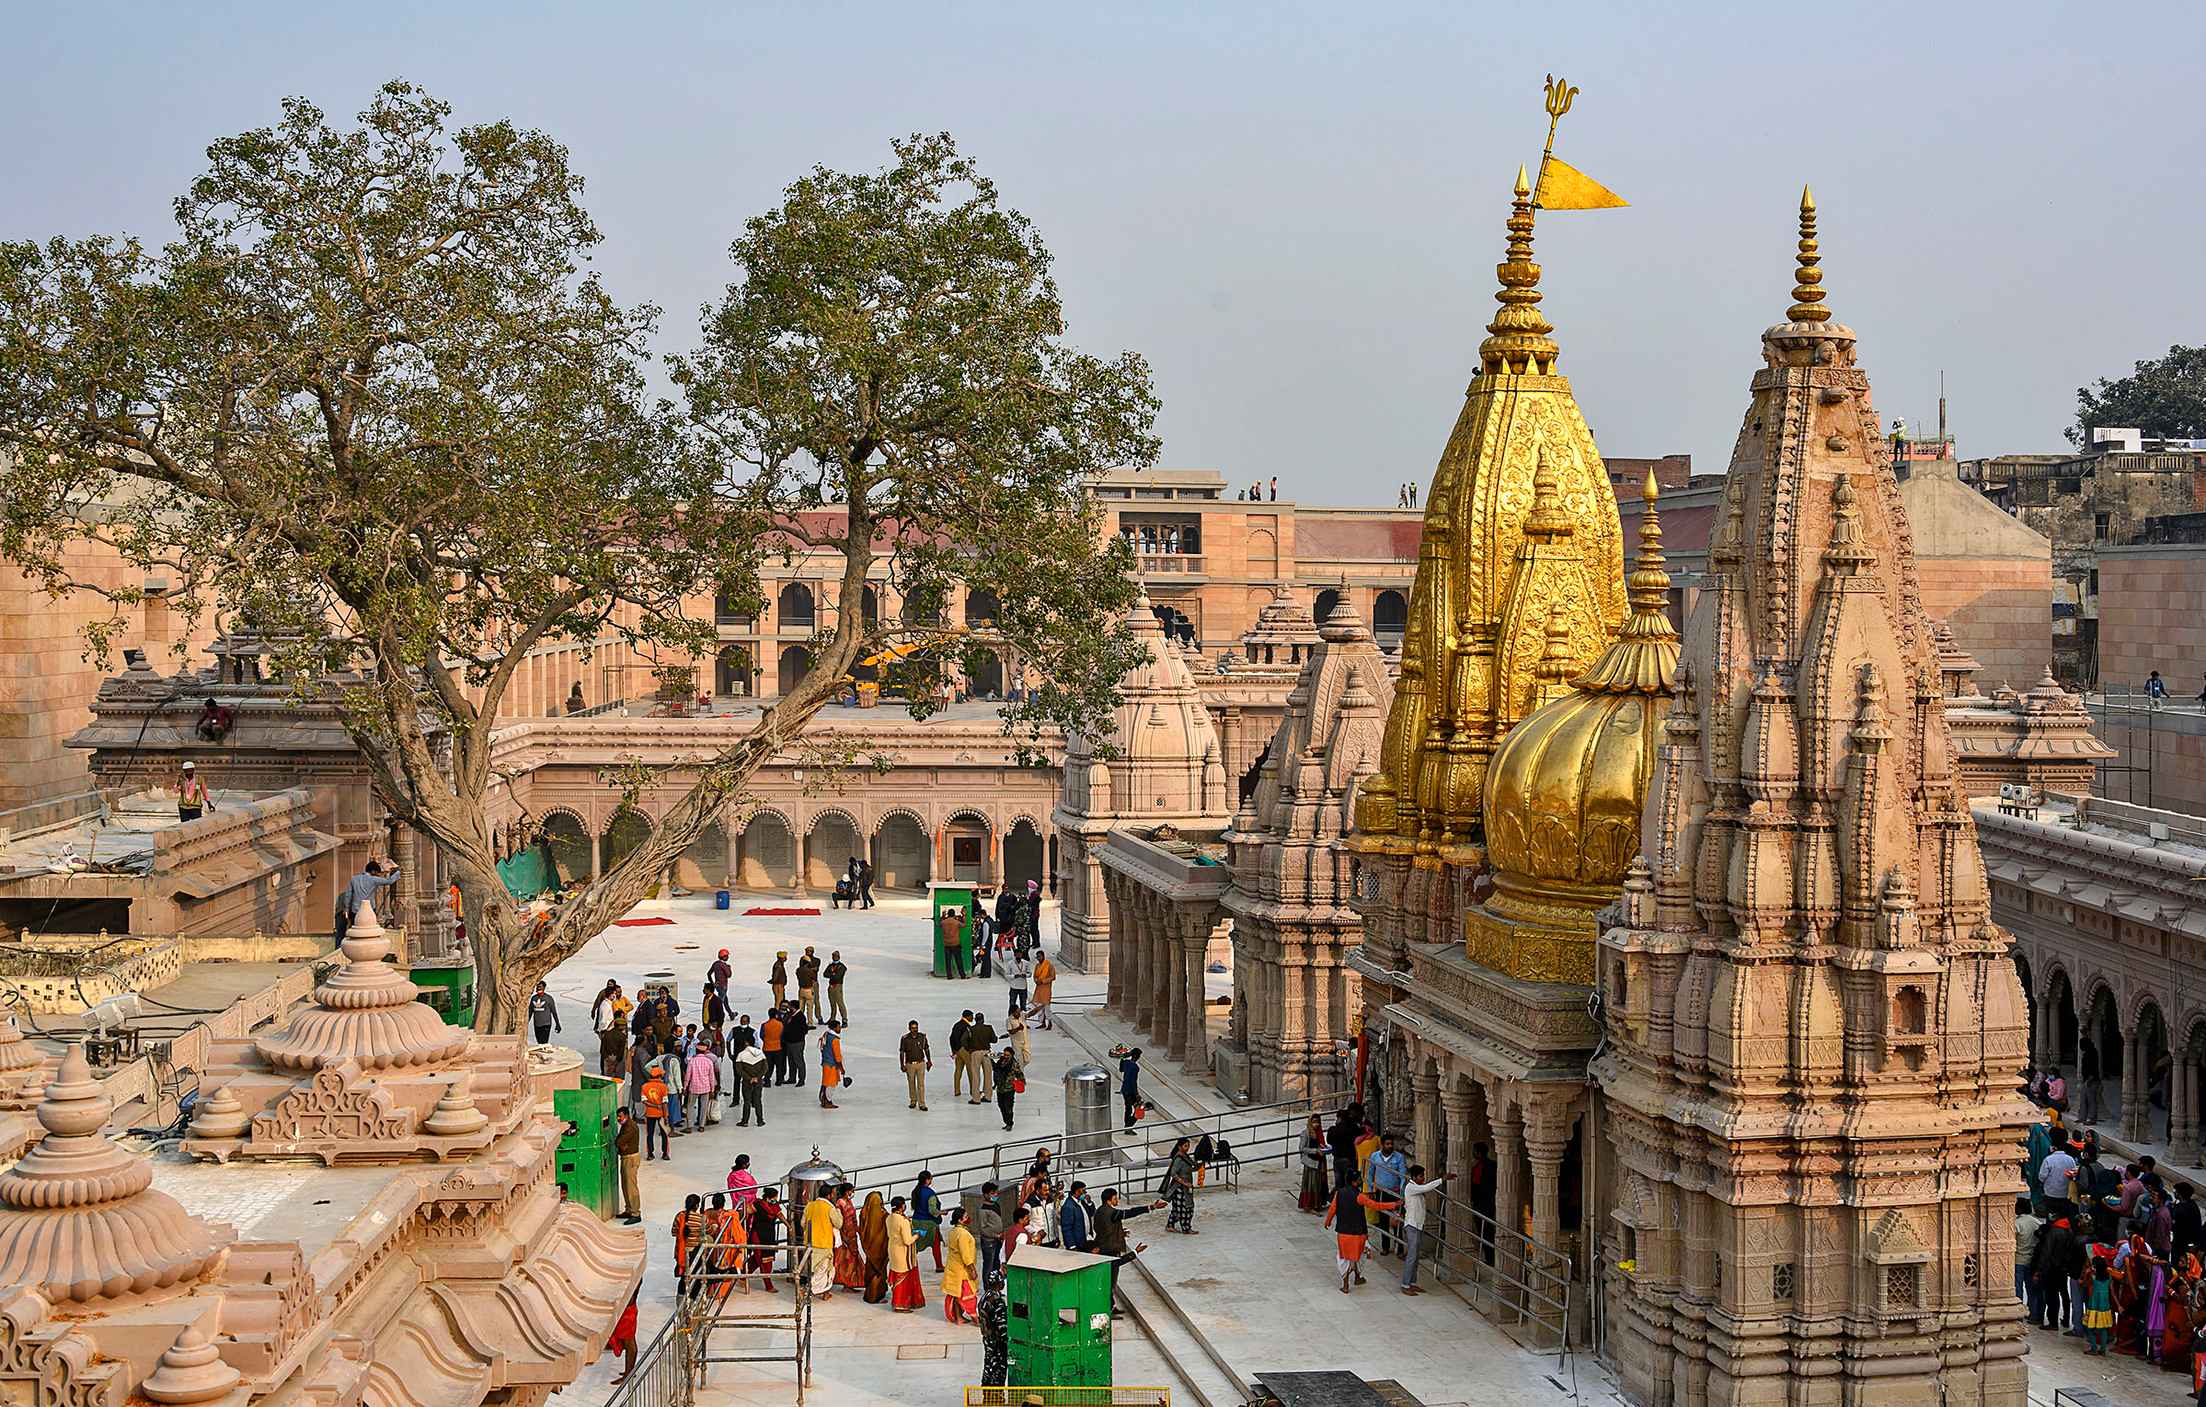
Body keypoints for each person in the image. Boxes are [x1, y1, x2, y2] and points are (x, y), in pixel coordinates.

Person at [1325, 1175, 1401, 1295]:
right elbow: (1376, 1206)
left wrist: (1327, 1221)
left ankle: (1345, 1285)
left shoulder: (1339, 1194)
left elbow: (1332, 1209)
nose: (1361, 1181)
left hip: (1343, 1233)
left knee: (1344, 1257)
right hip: (1358, 1234)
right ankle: (1357, 1277)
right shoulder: (1359, 1197)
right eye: (1359, 1180)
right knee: (1359, 1256)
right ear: (1354, 1182)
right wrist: (1394, 1205)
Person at [1399, 1163, 1455, 1294]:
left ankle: (1412, 1282)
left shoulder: (1416, 1188)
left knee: (1416, 1256)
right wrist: (1442, 1179)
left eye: (1423, 1176)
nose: (1422, 1178)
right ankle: (1405, 1285)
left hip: (1418, 1226)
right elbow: (1427, 1187)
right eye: (1420, 1176)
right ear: (1413, 1177)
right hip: (1412, 1226)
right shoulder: (1410, 1187)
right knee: (1412, 1256)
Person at [2032, 1209, 2079, 1329]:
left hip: (2052, 1268)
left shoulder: (2054, 1231)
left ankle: (2053, 1322)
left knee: (2051, 1295)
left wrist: (2039, 1269)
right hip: (2064, 1268)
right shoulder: (2069, 1230)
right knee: (2064, 1294)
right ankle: (2066, 1319)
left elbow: (2046, 1252)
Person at [1365, 1134, 1409, 1256]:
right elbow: (1370, 1174)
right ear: (1382, 1145)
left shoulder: (1399, 1158)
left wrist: (1401, 1194)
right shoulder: (1375, 1156)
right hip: (1381, 1193)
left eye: (1391, 1144)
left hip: (1394, 1193)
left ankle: (1399, 1248)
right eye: (1387, 1144)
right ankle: (1385, 1247)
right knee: (1383, 1220)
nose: (1390, 1146)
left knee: (1397, 1220)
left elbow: (1402, 1176)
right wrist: (1370, 1190)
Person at [337, 859, 401, 939]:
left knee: (355, 932)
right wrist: (397, 870)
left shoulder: (354, 879)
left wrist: (346, 909)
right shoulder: (373, 879)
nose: (378, 875)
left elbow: (348, 895)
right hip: (369, 910)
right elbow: (389, 881)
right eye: (377, 873)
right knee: (368, 932)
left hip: (355, 910)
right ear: (373, 871)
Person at [942, 1206, 980, 1323]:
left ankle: (959, 1318)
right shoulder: (963, 1234)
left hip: (953, 1267)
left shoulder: (953, 1231)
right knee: (968, 1296)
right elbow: (966, 1255)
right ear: (960, 1220)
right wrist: (972, 1269)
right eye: (966, 1217)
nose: (968, 1218)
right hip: (962, 1270)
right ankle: (975, 1319)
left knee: (957, 1295)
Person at [802, 1190, 841, 1300]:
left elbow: (802, 1223)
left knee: (812, 1270)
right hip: (824, 1244)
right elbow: (839, 1223)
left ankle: (821, 1292)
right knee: (825, 1270)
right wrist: (838, 1211)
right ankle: (809, 1290)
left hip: (809, 1243)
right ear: (829, 1195)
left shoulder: (809, 1205)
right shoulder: (830, 1208)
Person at [748, 1188, 788, 1293]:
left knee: (758, 1259)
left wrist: (789, 1226)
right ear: (768, 1197)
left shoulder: (774, 1206)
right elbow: (747, 1212)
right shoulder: (758, 1204)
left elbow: (780, 1215)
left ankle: (742, 1275)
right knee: (763, 1261)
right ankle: (768, 1286)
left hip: (769, 1237)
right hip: (758, 1236)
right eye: (774, 1197)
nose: (776, 1199)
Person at [888, 1196, 924, 1310]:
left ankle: (897, 1303)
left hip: (893, 1249)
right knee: (903, 1279)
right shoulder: (902, 1221)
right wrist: (917, 1235)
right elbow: (907, 1241)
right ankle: (900, 1304)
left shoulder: (889, 1218)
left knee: (896, 1275)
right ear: (902, 1206)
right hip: (902, 1252)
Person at [978, 1271, 1011, 1388]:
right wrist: (1008, 1342)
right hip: (997, 1342)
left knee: (988, 1365)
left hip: (987, 1339)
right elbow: (1002, 1327)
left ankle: (986, 1390)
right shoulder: (997, 1301)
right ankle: (996, 1395)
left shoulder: (984, 1298)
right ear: (1000, 1283)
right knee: (998, 1369)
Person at [2015, 1195, 2045, 1323]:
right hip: (2032, 1260)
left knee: (2017, 1289)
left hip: (2018, 1260)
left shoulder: (2017, 1224)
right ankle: (2033, 1314)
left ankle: (2018, 1314)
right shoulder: (2036, 1222)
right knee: (2031, 1289)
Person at [594, 982, 631, 1077]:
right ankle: (607, 1072)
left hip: (609, 1031)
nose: (615, 995)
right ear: (610, 995)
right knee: (607, 1054)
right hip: (607, 1032)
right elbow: (603, 1021)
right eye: (614, 994)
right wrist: (606, 1032)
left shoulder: (609, 1004)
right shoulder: (605, 1006)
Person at [840, 1186, 872, 1294]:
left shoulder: (848, 1202)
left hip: (852, 1234)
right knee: (847, 1260)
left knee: (853, 1259)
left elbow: (853, 1218)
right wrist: (843, 1236)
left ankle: (851, 1282)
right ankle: (847, 1283)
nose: (852, 1193)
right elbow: (840, 1222)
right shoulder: (840, 1203)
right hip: (846, 1235)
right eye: (851, 1191)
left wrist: (858, 1229)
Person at [673, 1194, 706, 1297]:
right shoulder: (701, 1218)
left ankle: (680, 1299)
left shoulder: (679, 1216)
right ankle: (692, 1300)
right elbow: (707, 1231)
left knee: (684, 1277)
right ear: (697, 1206)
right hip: (694, 1252)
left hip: (681, 1252)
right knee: (695, 1276)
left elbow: (674, 1232)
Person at [912, 1171, 945, 1271]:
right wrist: (942, 1212)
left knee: (915, 1245)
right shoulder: (930, 1193)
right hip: (929, 1224)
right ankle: (939, 1266)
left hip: (916, 1221)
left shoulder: (915, 1191)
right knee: (935, 1245)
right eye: (930, 1178)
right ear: (927, 1180)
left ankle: (911, 1263)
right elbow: (932, 1211)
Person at [613, 1109, 642, 1224]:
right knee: (625, 1185)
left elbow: (619, 1142)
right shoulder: (626, 1125)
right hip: (626, 1158)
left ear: (626, 1115)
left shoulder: (630, 1127)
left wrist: (620, 1143)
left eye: (620, 1116)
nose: (619, 1119)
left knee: (631, 1186)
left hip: (630, 1158)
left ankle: (636, 1213)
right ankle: (629, 1210)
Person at [604, 1292, 639, 1386]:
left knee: (629, 1343)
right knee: (627, 1342)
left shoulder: (634, 1279)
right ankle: (629, 1371)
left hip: (627, 1312)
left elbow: (630, 1297)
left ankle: (628, 1374)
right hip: (625, 1310)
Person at [1298, 1115, 1330, 1212]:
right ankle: (1309, 1205)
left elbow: (1321, 1144)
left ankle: (1317, 1204)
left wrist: (1324, 1148)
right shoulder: (1306, 1133)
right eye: (1314, 1122)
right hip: (1311, 1163)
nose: (1316, 1124)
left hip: (1319, 1161)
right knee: (1311, 1184)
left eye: (1318, 1122)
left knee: (1319, 1183)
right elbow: (1302, 1148)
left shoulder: (1319, 1133)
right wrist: (1315, 1151)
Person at [975, 1182, 1006, 1285]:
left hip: (998, 1240)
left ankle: (996, 1285)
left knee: (997, 1263)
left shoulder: (996, 1205)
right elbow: (983, 1229)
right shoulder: (983, 1210)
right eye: (992, 1193)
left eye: (996, 1193)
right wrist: (996, 1235)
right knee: (989, 1265)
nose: (995, 1195)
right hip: (989, 1242)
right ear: (986, 1194)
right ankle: (988, 1287)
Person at [639, 1065, 672, 1160]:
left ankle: (650, 1154)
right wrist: (666, 1116)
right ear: (659, 1076)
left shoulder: (644, 1087)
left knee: (649, 1134)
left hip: (649, 1114)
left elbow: (644, 1101)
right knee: (664, 1134)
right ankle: (665, 1154)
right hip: (661, 1114)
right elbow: (664, 1103)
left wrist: (653, 1106)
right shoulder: (663, 1087)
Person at [685, 1040, 719, 1128]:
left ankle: (689, 1126)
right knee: (704, 1107)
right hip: (706, 1088)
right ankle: (702, 1126)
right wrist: (712, 1089)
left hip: (694, 1088)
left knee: (690, 1107)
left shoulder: (692, 1061)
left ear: (696, 1051)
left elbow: (688, 1076)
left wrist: (685, 1087)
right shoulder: (709, 1062)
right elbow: (711, 1077)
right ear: (705, 1051)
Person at [2084, 1256, 2114, 1353]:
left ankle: (2094, 1348)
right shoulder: (2108, 1277)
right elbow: (2112, 1291)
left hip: (2094, 1304)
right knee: (2103, 1328)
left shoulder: (2093, 1276)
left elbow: (2085, 1283)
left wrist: (2086, 1274)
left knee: (2090, 1328)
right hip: (2105, 1305)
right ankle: (2103, 1349)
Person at [901, 1020, 933, 1110]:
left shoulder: (922, 1037)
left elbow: (926, 1049)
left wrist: (929, 1061)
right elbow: (902, 1052)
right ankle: (913, 1101)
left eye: (916, 1028)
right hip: (910, 1064)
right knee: (911, 1083)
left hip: (921, 1063)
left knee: (921, 1084)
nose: (915, 1030)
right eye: (913, 1028)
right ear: (909, 1028)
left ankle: (922, 1103)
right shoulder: (905, 1038)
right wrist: (902, 1064)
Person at [966, 1014, 997, 1103]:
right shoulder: (989, 1028)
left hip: (975, 1052)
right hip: (987, 1053)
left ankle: (976, 1098)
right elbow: (994, 1040)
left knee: (975, 1076)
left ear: (975, 1020)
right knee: (988, 1075)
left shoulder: (971, 1029)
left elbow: (964, 1040)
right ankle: (988, 1096)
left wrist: (969, 1049)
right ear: (983, 1020)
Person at [733, 1043, 767, 1126]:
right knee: (758, 1101)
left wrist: (749, 1078)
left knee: (747, 1101)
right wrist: (757, 1078)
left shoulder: (741, 1055)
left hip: (747, 1082)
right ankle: (760, 1121)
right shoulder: (760, 1053)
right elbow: (765, 1068)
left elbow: (739, 1070)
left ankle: (745, 1121)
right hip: (758, 1081)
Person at [993, 1045, 1022, 1132]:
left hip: (1009, 1089)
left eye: (1007, 1055)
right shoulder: (1000, 1061)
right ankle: (1006, 1122)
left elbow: (1019, 1074)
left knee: (1008, 1107)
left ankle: (1009, 1123)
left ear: (1012, 1055)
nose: (1005, 1056)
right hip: (1000, 1088)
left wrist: (1021, 1082)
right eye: (1005, 1054)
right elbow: (996, 1069)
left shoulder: (1014, 1064)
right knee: (1001, 1105)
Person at [1060, 1181, 1096, 1252]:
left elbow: (1091, 1213)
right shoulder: (1068, 1206)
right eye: (1083, 1191)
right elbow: (1067, 1228)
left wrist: (1089, 1202)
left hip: (1087, 1239)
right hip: (1077, 1243)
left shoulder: (1082, 1202)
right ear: (1077, 1191)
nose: (1085, 1193)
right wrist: (1072, 1245)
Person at [818, 1020, 845, 1109]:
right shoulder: (835, 1040)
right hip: (831, 1064)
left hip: (825, 1062)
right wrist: (841, 1068)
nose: (840, 1028)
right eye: (838, 1026)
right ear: (834, 1028)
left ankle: (823, 1099)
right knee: (831, 1084)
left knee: (825, 1082)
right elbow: (837, 1055)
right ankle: (827, 1101)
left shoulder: (826, 1035)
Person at [782, 1006, 811, 1087]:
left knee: (798, 1061)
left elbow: (804, 1029)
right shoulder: (790, 1015)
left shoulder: (800, 1017)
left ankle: (801, 1079)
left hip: (797, 1043)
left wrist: (797, 1036)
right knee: (791, 1061)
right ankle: (792, 1078)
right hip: (789, 1042)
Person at [948, 1012, 973, 1099]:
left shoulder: (957, 1025)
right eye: (971, 1016)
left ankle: (957, 1090)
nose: (972, 1018)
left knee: (958, 1070)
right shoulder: (965, 1025)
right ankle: (973, 1090)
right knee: (971, 1069)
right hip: (964, 1050)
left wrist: (954, 1050)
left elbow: (951, 1038)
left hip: (957, 1051)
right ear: (967, 1016)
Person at [940, 907, 968, 979]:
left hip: (947, 944)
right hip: (955, 944)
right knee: (958, 960)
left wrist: (943, 916)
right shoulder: (956, 922)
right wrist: (964, 915)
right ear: (954, 914)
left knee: (948, 961)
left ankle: (949, 975)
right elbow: (964, 925)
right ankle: (962, 975)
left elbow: (939, 924)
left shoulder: (944, 922)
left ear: (948, 914)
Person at [1119, 1047, 1143, 1131]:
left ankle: (1127, 1127)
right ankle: (1128, 1127)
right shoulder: (1135, 1067)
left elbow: (1121, 1069)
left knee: (1128, 1109)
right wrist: (1137, 1094)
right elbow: (1133, 1081)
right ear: (1137, 1056)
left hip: (1124, 1089)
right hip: (1130, 1091)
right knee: (1139, 1108)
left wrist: (1122, 1057)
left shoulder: (1126, 1063)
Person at [796, 946, 822, 1021]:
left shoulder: (816, 960)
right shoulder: (803, 959)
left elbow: (814, 969)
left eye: (809, 951)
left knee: (816, 1000)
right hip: (806, 983)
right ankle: (802, 1019)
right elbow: (805, 968)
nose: (807, 952)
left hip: (813, 982)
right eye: (807, 951)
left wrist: (809, 967)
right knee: (803, 1003)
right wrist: (811, 969)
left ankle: (819, 1017)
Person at [1031, 952, 1055, 1030]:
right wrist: (1036, 980)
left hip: (1046, 988)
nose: (1039, 958)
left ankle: (1050, 1023)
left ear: (1043, 956)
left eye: (1040, 957)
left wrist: (1043, 981)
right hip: (1039, 988)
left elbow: (1053, 977)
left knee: (1047, 1006)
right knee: (1039, 1006)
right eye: (1037, 957)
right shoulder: (1037, 966)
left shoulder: (1049, 965)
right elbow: (1034, 976)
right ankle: (1043, 1022)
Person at [761, 1009, 786, 1086]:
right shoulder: (780, 1024)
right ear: (776, 1015)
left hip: (767, 1048)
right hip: (778, 1047)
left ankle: (767, 1081)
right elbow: (782, 1035)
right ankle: (779, 1081)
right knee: (779, 1065)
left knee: (768, 1066)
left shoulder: (764, 1025)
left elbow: (761, 1035)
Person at [825, 950, 849, 1025]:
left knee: (840, 1003)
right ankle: (832, 1018)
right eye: (833, 956)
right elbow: (825, 974)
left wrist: (831, 974)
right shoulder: (831, 965)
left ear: (838, 957)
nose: (834, 958)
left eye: (835, 956)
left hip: (837, 986)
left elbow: (837, 977)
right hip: (831, 986)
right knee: (832, 1003)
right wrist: (833, 974)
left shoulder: (842, 966)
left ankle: (844, 1019)